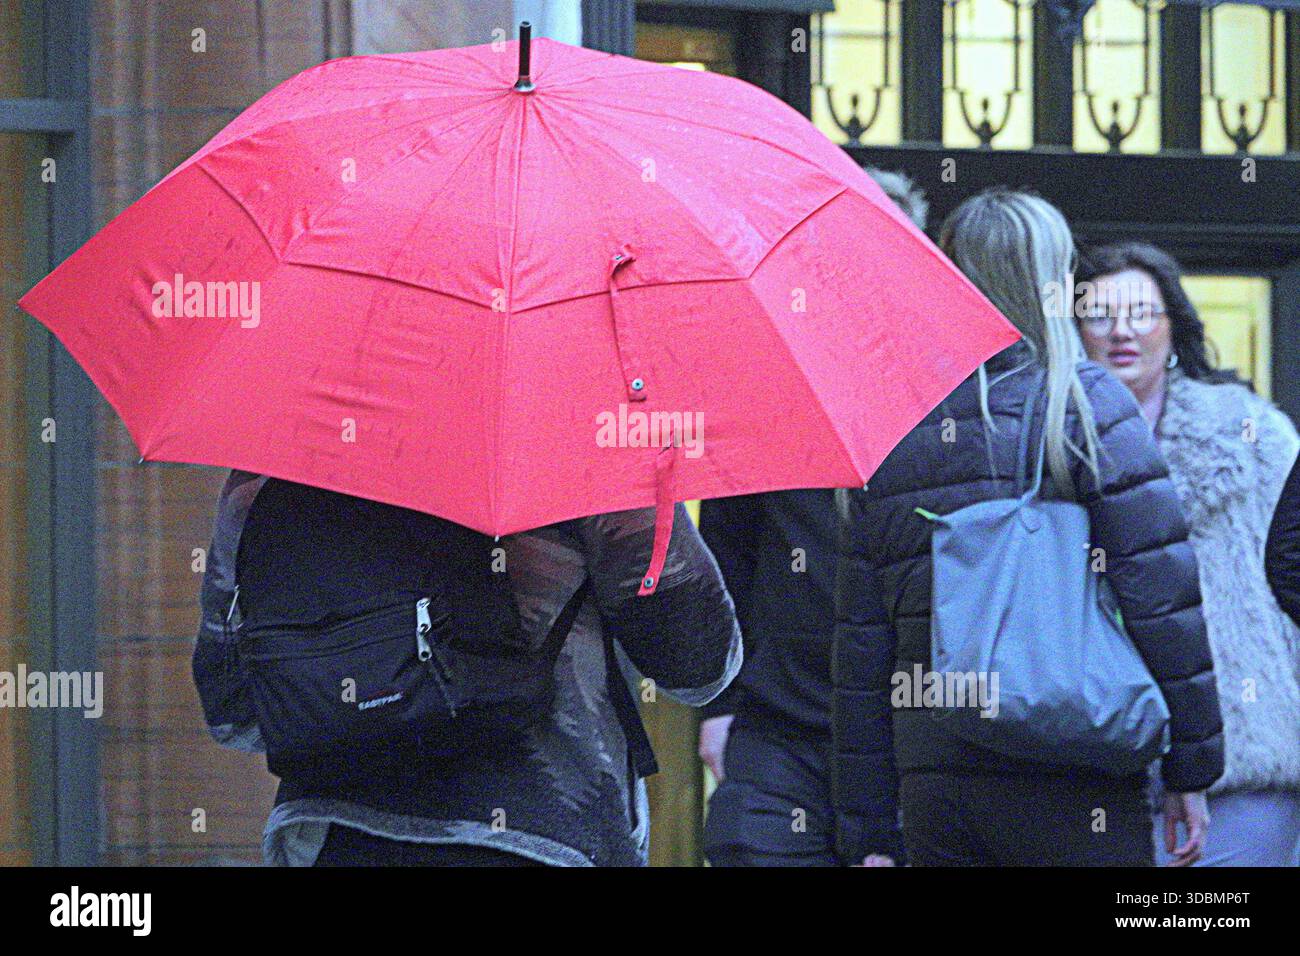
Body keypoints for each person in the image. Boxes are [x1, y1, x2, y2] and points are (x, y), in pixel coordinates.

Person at [833, 189, 1225, 866]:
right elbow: (1161, 596)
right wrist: (1192, 766)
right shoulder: (1085, 403)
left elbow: (861, 645)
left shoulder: (892, 422)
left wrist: (867, 824)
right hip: (1076, 761)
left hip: (938, 782)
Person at [193, 470, 742, 866]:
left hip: (331, 835)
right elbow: (698, 668)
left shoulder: (271, 467)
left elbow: (233, 714)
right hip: (545, 833)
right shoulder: (581, 446)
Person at [699, 169, 928, 867]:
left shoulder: (948, 388)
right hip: (782, 728)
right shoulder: (767, 383)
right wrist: (719, 706)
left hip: (915, 737)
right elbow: (727, 556)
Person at [1077, 241, 1300, 867]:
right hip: (1096, 762)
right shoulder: (1047, 444)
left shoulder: (1253, 437)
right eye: (1099, 314)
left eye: (1142, 312)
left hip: (1246, 757)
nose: (1122, 331)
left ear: (1174, 326)